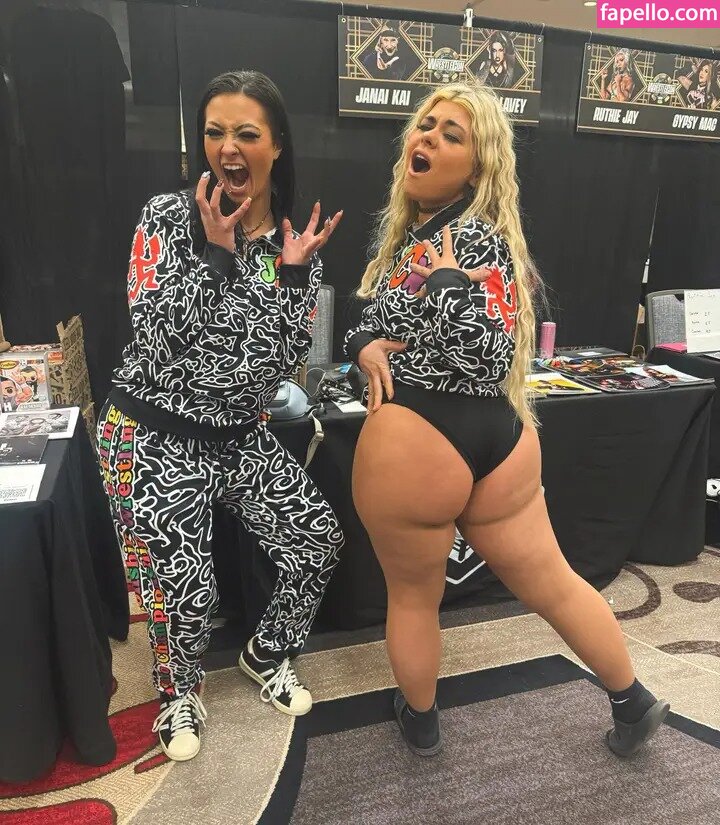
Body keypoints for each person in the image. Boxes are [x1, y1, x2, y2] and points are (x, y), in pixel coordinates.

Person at [346, 81, 669, 758]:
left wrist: (445, 286)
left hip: (420, 437)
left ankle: (421, 718)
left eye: (451, 134)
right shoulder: (426, 237)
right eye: (426, 125)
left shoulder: (466, 240)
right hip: (497, 439)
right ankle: (631, 699)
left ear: (479, 167)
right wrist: (363, 341)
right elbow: (379, 321)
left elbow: (485, 353)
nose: (428, 137)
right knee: (552, 582)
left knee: (413, 597)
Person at [97, 70, 344, 762]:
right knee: (187, 586)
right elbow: (158, 340)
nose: (227, 147)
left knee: (316, 540)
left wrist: (291, 275)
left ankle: (266, 653)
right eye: (214, 133)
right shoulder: (166, 218)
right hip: (154, 430)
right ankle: (178, 690)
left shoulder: (289, 240)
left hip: (238, 435)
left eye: (246, 133)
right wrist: (213, 257)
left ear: (276, 145)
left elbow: (283, 361)